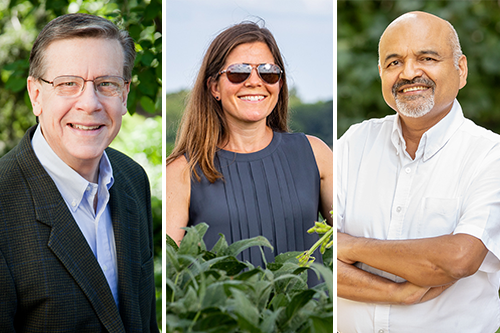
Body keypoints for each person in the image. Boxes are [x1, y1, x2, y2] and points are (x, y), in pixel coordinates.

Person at [337, 11, 500, 332]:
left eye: (426, 57)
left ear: (461, 68)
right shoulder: (355, 142)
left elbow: (457, 259)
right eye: (394, 62)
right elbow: (316, 256)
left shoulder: (490, 155)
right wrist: (396, 292)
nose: (409, 72)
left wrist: (349, 246)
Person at [0, 13, 159, 332]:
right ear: (36, 94)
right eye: (67, 84)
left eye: (106, 84)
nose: (89, 103)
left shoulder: (132, 179)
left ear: (124, 94)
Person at [165, 21, 333, 269]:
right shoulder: (181, 172)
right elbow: (169, 278)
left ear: (279, 83)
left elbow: (355, 240)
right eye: (238, 72)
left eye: (268, 72)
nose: (255, 81)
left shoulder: (315, 154)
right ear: (214, 87)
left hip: (310, 308)